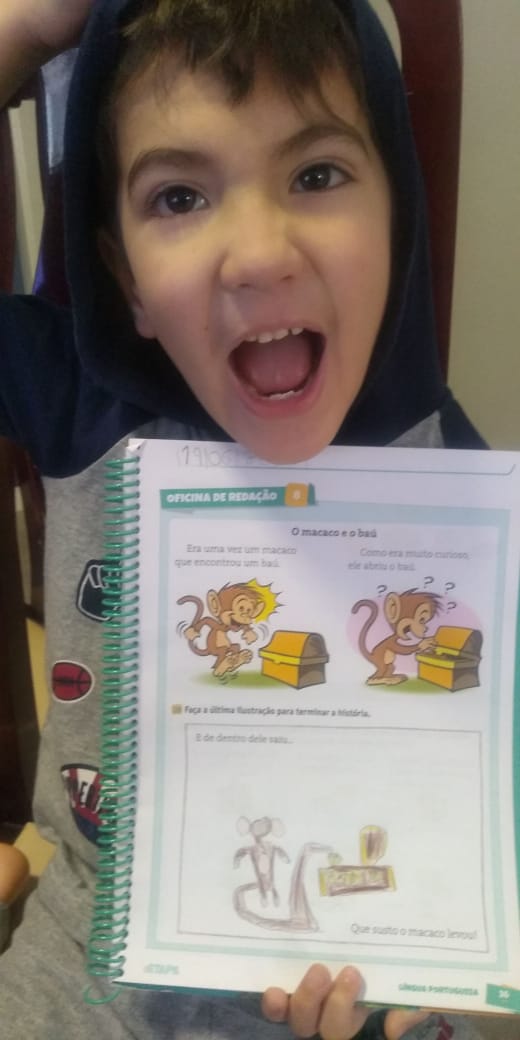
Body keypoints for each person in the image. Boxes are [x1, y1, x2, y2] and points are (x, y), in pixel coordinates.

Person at [0, 1, 486, 1038]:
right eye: (179, 195)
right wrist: (23, 32)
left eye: (316, 174)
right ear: (125, 279)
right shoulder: (85, 410)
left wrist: (463, 927)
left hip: (368, 968)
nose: (259, 254)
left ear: (395, 219)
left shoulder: (456, 486)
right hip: (89, 958)